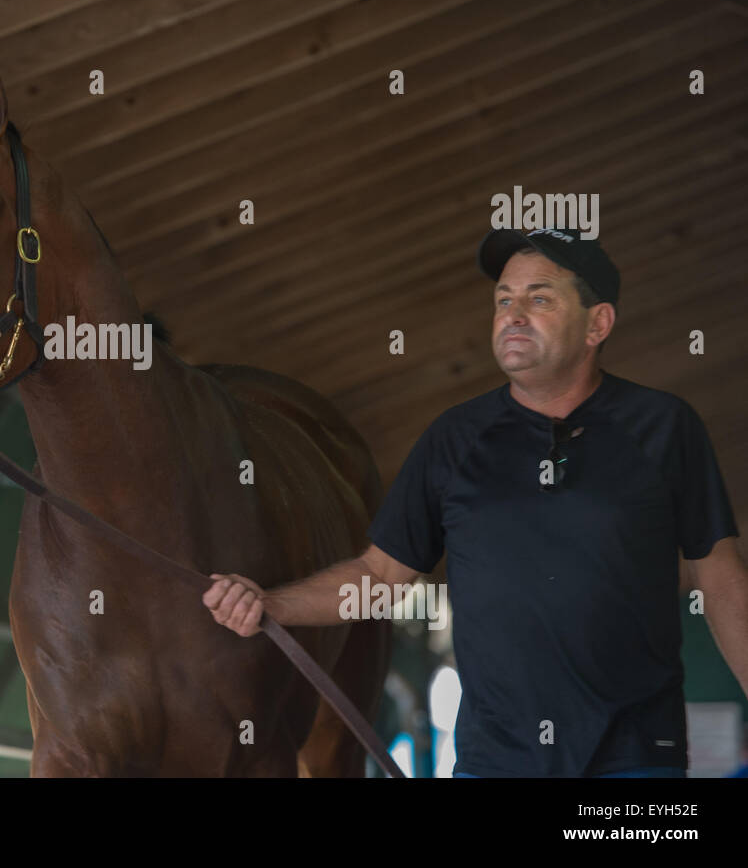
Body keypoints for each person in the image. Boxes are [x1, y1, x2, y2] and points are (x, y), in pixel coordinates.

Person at [203, 228, 747, 777]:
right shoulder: (454, 440)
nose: (513, 314)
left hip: (634, 762)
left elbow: (721, 579)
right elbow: (380, 575)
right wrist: (271, 605)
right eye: (503, 300)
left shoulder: (664, 428)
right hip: (498, 762)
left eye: (539, 298)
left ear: (597, 323)